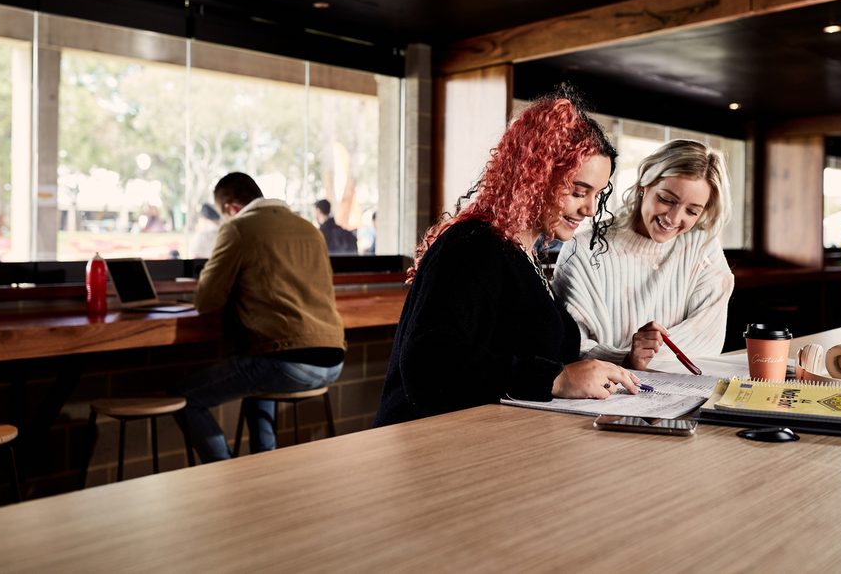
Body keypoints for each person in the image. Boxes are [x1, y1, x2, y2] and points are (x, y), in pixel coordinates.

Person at [374, 92, 641, 427]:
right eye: (577, 191)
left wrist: (611, 364)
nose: (589, 209)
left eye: (597, 195)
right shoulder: (472, 245)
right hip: (432, 441)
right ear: (537, 176)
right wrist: (556, 379)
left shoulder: (525, 253)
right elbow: (429, 367)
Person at [174, 173, 345, 462]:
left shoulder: (239, 228)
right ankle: (264, 465)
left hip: (287, 363)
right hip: (333, 360)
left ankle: (225, 471)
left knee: (185, 397)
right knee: (257, 370)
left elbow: (206, 301)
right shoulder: (309, 229)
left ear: (229, 207)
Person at [553, 139, 734, 370]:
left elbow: (707, 341)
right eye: (666, 199)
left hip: (684, 386)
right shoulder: (583, 249)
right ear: (643, 185)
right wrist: (626, 359)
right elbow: (568, 346)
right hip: (604, 389)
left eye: (692, 211)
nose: (674, 218)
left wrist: (632, 358)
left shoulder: (703, 247)